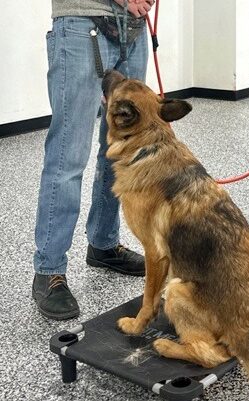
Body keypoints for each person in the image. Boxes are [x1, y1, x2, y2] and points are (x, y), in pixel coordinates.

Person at [33, 0, 154, 320]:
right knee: (67, 156)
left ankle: (103, 244)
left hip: (134, 31)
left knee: (119, 149)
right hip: (80, 23)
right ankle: (49, 270)